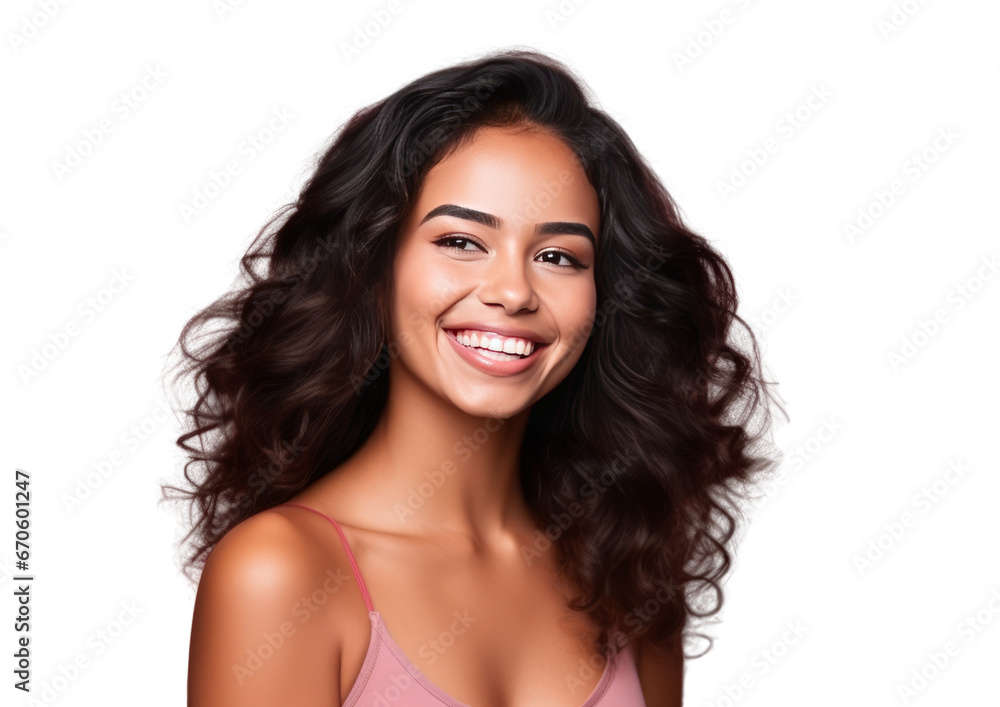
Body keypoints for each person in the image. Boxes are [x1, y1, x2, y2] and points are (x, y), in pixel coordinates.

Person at [163, 47, 784, 706]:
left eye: (558, 256)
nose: (513, 291)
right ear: (374, 263)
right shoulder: (281, 572)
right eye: (461, 241)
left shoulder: (626, 568)